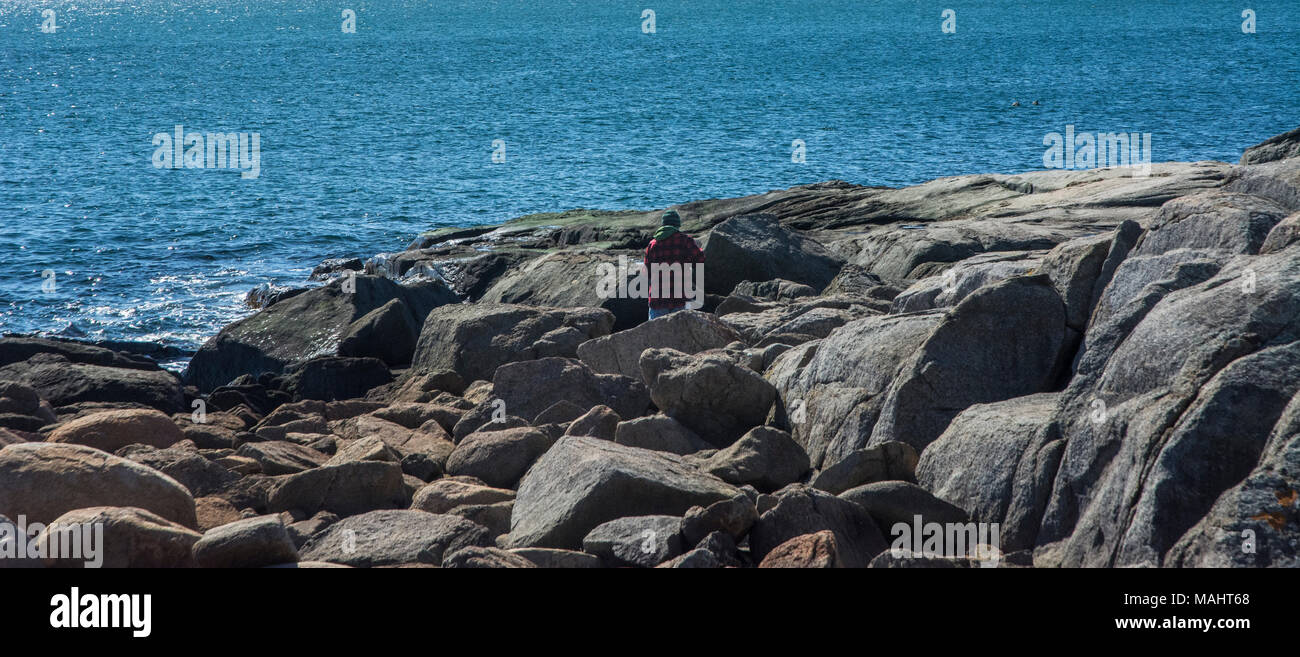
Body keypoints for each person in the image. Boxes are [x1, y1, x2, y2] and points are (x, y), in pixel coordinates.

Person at [644, 209, 704, 320]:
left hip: (658, 300)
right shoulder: (685, 241)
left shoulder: (652, 244)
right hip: (680, 298)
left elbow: (646, 272)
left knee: (657, 336)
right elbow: (700, 259)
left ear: (663, 225)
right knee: (680, 335)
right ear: (677, 225)